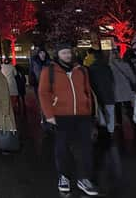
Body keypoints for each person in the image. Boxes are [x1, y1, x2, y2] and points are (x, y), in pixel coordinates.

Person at [38, 43, 99, 196]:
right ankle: (63, 176)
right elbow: (43, 93)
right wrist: (49, 115)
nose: (67, 55)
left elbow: (87, 91)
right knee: (62, 148)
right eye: (64, 53)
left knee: (86, 148)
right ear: (58, 55)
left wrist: (90, 112)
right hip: (61, 115)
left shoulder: (82, 70)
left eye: (68, 52)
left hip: (82, 115)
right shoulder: (49, 70)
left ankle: (84, 178)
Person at [88, 49, 116, 135]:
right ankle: (111, 129)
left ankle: (103, 127)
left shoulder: (90, 69)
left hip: (97, 94)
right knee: (110, 111)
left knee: (99, 111)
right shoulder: (107, 67)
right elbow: (112, 80)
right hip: (108, 93)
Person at [109, 50, 136, 126]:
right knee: (128, 105)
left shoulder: (109, 66)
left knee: (117, 107)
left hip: (115, 89)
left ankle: (119, 122)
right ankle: (132, 120)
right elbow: (132, 77)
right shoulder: (125, 64)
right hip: (126, 88)